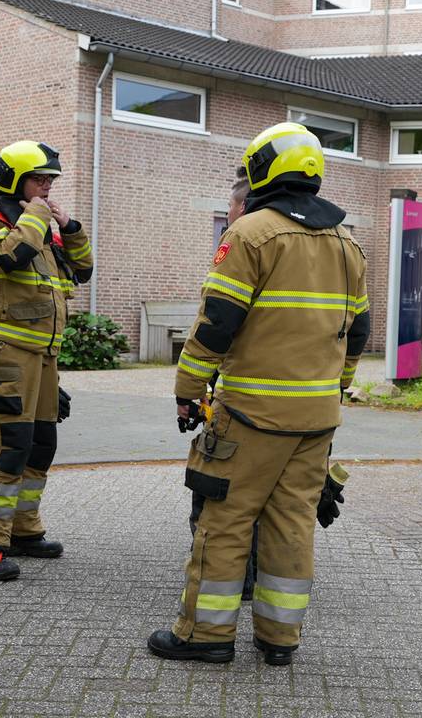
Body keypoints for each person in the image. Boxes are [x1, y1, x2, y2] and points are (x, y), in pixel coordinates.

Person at [149, 122, 370, 666]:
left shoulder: (250, 234)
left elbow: (217, 321)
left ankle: (205, 635)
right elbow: (360, 331)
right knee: (292, 523)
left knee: (223, 521)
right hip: (317, 420)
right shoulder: (348, 243)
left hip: (250, 415)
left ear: (261, 170)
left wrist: (187, 389)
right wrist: (336, 389)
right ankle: (279, 639)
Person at [0, 140, 93, 581]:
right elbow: (8, 259)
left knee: (41, 445)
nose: (46, 188)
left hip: (44, 357)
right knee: (7, 449)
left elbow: (85, 269)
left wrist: (69, 226)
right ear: (13, 181)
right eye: (39, 180)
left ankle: (22, 530)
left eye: (50, 181)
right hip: (9, 358)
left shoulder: (41, 229)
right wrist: (37, 217)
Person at [186, 166, 255, 601]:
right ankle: (276, 620)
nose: (226, 215)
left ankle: (213, 613)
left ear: (243, 207)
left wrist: (189, 391)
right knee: (282, 507)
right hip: (311, 407)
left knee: (215, 494)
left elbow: (216, 326)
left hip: (246, 403)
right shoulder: (335, 243)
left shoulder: (243, 243)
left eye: (228, 207)